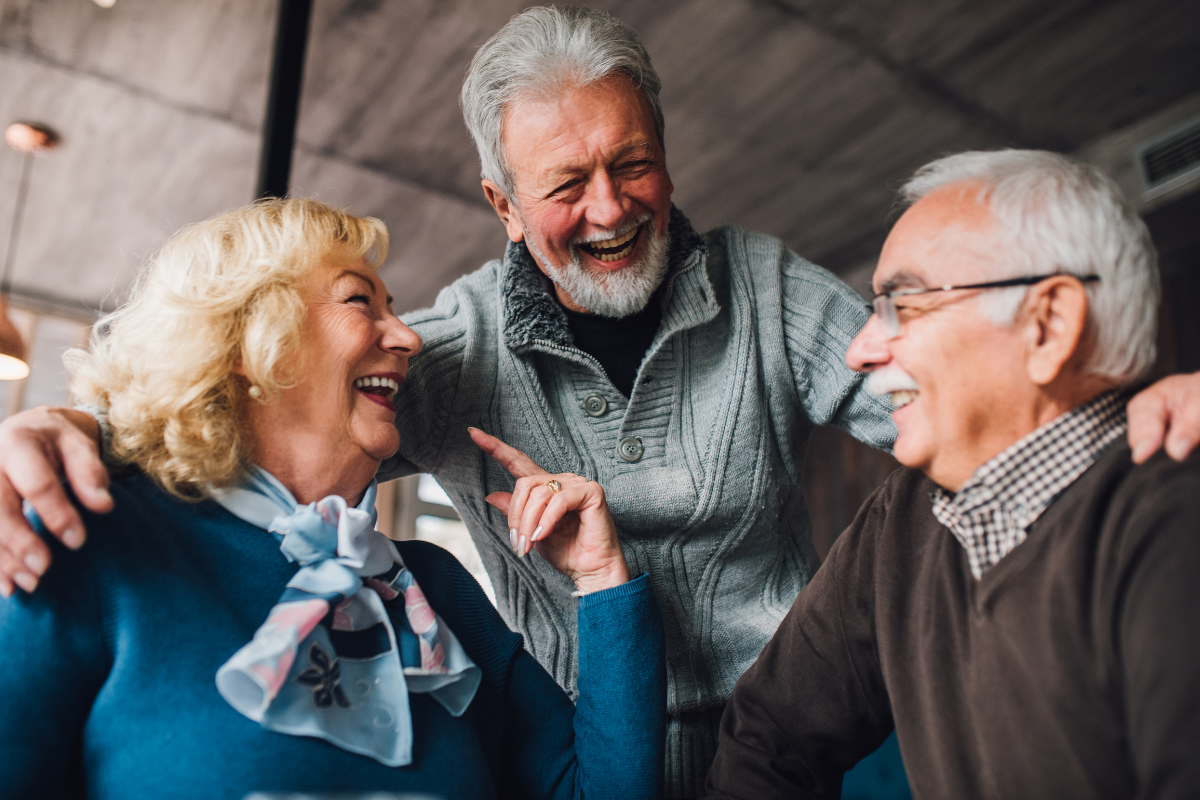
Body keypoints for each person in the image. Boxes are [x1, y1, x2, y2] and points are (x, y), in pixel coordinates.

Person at [1, 7, 1199, 796]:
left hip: (787, 736)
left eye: (634, 162)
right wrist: (68, 432)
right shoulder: (448, 350)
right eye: (566, 183)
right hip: (589, 750)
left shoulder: (772, 290)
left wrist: (1133, 402)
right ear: (502, 204)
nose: (614, 205)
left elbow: (973, 413)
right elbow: (259, 412)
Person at [0, 199, 666, 800]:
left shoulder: (433, 587)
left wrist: (602, 580)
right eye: (360, 302)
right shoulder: (89, 537)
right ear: (253, 342)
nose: (408, 337)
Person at [703, 150, 1200, 798]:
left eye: (901, 305)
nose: (858, 350)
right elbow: (769, 736)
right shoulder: (903, 521)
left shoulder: (1170, 520)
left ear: (1047, 326)